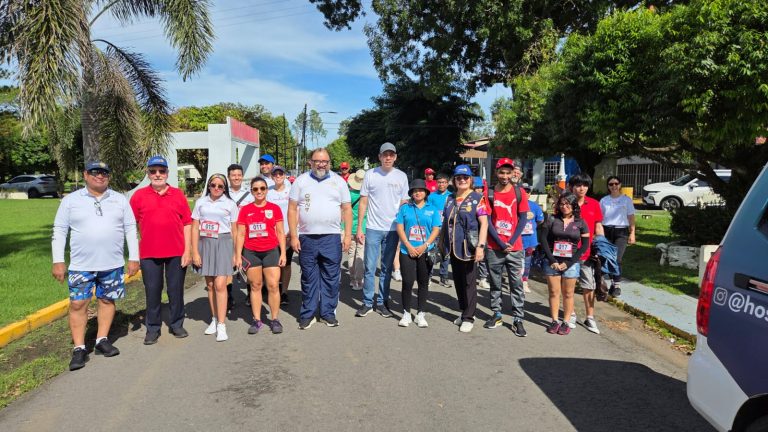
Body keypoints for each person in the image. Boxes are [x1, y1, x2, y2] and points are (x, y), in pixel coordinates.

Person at [52, 161, 139, 371]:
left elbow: (130, 229)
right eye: (95, 172)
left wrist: (134, 257)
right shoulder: (71, 201)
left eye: (104, 173)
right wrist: (58, 260)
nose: (100, 176)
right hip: (81, 265)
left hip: (112, 263)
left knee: (107, 300)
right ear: (85, 175)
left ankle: (101, 340)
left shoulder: (119, 199)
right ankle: (80, 348)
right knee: (78, 304)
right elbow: (60, 230)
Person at [130, 155, 192, 345]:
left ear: (167, 173)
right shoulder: (139, 196)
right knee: (152, 291)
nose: (158, 174)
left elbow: (187, 223)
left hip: (176, 252)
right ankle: (153, 328)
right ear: (148, 174)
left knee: (175, 290)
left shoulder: (178, 194)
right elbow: (130, 225)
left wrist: (187, 250)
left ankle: (176, 323)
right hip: (149, 253)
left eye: (161, 171)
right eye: (153, 171)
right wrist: (133, 254)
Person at [288, 148, 352, 329]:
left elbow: (347, 209)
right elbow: (292, 209)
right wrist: (294, 235)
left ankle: (327, 313)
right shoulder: (301, 181)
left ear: (329, 162)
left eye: (325, 161)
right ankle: (308, 314)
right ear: (311, 161)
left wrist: (347, 235)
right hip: (307, 238)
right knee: (308, 277)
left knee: (331, 277)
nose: (321, 164)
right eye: (317, 161)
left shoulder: (338, 182)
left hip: (331, 238)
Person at [355, 142, 409, 318]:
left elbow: (404, 204)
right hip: (372, 227)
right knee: (370, 267)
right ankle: (367, 302)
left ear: (395, 157)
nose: (388, 158)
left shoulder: (401, 176)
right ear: (379, 157)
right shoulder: (371, 175)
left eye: (391, 155)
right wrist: (359, 228)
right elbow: (363, 202)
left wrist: (403, 229)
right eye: (385, 155)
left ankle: (382, 302)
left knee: (386, 268)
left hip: (393, 229)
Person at [439, 164, 489, 333]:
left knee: (469, 282)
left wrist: (481, 246)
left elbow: (484, 224)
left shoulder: (477, 198)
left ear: (470, 180)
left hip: (469, 246)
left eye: (465, 178)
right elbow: (445, 223)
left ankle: (469, 316)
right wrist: (441, 244)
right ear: (454, 180)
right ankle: (463, 311)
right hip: (453, 247)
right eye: (459, 178)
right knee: (459, 281)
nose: (462, 180)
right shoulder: (450, 199)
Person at [484, 158, 530, 337]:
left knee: (516, 284)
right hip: (494, 246)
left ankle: (518, 318)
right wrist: (501, 242)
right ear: (496, 173)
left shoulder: (520, 192)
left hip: (515, 247)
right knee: (495, 283)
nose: (504, 176)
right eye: (501, 172)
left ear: (513, 173)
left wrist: (511, 241)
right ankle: (496, 314)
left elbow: (523, 218)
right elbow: (487, 220)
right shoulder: (488, 193)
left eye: (508, 172)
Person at [235, 177, 287, 334]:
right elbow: (241, 234)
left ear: (266, 190)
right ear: (251, 191)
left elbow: (280, 232)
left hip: (271, 251)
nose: (259, 192)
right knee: (255, 286)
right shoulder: (245, 209)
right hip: (251, 252)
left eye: (262, 189)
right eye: (255, 189)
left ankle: (275, 319)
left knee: (272, 285)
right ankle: (257, 320)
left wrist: (283, 252)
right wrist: (238, 255)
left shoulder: (275, 208)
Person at [191, 174, 238, 342]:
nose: (216, 188)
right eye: (213, 185)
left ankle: (222, 324)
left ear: (225, 188)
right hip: (205, 244)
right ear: (208, 186)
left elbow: (235, 230)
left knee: (220, 285)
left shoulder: (230, 204)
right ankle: (213, 318)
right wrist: (194, 251)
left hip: (223, 243)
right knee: (210, 285)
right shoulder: (200, 203)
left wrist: (236, 254)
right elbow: (195, 228)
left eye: (220, 186)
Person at [538, 193, 590, 335]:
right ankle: (554, 321)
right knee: (554, 292)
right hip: (552, 262)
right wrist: (552, 260)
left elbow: (585, 245)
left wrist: (570, 263)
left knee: (568, 293)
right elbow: (543, 240)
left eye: (567, 204)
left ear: (574, 205)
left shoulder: (580, 222)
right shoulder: (551, 219)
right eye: (561, 204)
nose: (564, 207)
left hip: (571, 263)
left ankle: (566, 322)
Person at [395, 179, 442, 328]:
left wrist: (426, 245)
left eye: (421, 190)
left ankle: (420, 313)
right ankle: (406, 313)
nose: (418, 192)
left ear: (426, 192)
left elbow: (436, 228)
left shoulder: (432, 209)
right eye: (415, 191)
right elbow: (400, 227)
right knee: (407, 282)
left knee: (423, 282)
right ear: (411, 193)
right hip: (407, 250)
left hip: (425, 251)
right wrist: (407, 245)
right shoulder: (405, 208)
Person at [569, 173, 604, 334]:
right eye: (578, 185)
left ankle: (590, 317)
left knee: (589, 285)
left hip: (587, 252)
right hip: (568, 252)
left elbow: (598, 227)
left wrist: (601, 246)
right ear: (572, 187)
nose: (581, 188)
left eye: (584, 185)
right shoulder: (566, 203)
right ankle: (571, 314)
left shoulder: (595, 204)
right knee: (568, 286)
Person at [599, 175, 636, 297]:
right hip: (606, 230)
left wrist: (632, 233)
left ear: (620, 185)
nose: (614, 186)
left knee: (617, 258)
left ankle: (617, 284)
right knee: (607, 258)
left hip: (621, 232)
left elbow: (631, 217)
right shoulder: (604, 200)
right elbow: (599, 218)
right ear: (608, 187)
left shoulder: (626, 200)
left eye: (616, 184)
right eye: (611, 184)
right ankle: (611, 283)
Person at [226, 163, 254, 308]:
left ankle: (250, 294)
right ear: (229, 177)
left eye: (239, 175)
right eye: (233, 175)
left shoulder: (250, 194)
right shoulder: (223, 194)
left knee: (248, 265)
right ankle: (228, 295)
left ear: (242, 176)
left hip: (246, 235)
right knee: (228, 266)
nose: (236, 178)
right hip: (228, 236)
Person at [267, 165, 293, 305]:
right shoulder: (268, 192)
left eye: (280, 173)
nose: (278, 176)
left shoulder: (291, 191)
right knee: (274, 264)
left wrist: (293, 231)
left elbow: (296, 211)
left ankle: (284, 292)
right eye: (275, 174)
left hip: (288, 232)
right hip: (272, 234)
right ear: (271, 176)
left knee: (287, 264)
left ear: (284, 175)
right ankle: (274, 290)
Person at [427, 172, 451, 286]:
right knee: (431, 253)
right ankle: (428, 276)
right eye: (439, 182)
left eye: (444, 182)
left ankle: (443, 277)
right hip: (434, 230)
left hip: (447, 230)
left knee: (445, 254)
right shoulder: (431, 196)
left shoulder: (452, 196)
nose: (441, 184)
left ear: (447, 183)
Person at [520, 183, 545, 294]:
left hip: (530, 239)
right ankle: (516, 282)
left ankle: (524, 281)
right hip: (517, 240)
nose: (525, 193)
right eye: (523, 191)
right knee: (516, 262)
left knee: (527, 261)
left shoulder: (535, 206)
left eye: (528, 191)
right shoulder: (515, 204)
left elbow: (540, 220)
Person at [346, 169, 367, 291]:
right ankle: (359, 280)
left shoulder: (348, 195)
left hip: (349, 227)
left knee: (350, 253)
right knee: (360, 254)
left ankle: (352, 279)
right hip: (362, 227)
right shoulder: (366, 197)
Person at [473, 176, 490, 289]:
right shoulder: (469, 199)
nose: (478, 190)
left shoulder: (487, 199)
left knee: (483, 256)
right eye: (476, 188)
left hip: (484, 231)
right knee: (471, 256)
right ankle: (471, 277)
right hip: (472, 232)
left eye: (480, 188)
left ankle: (483, 278)